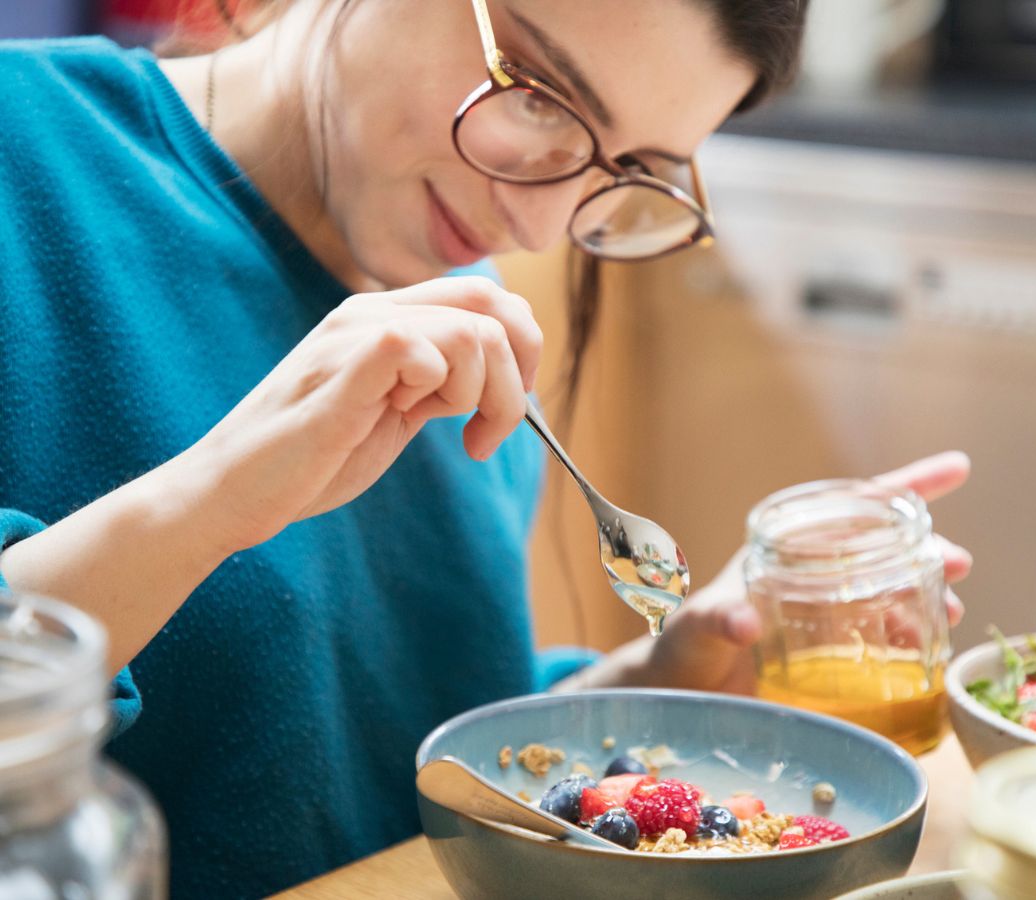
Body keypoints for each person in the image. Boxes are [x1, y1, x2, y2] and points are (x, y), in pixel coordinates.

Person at [0, 1, 972, 896]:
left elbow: (395, 751)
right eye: (540, 93)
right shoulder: (24, 156)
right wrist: (213, 497)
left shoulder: (472, 333)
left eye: (628, 169)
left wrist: (660, 678)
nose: (542, 225)